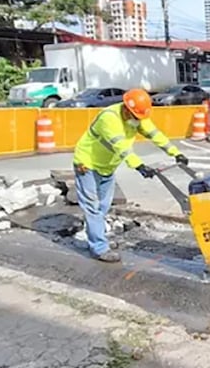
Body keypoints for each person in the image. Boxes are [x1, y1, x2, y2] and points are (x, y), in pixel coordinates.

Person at [71, 88, 188, 263]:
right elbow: (122, 148)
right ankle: (99, 247)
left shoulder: (137, 117)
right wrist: (139, 166)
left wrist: (175, 152)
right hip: (87, 164)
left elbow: (154, 134)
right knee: (92, 207)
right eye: (135, 116)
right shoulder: (109, 118)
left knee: (103, 206)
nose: (138, 121)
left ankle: (97, 237)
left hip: (107, 167)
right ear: (126, 109)